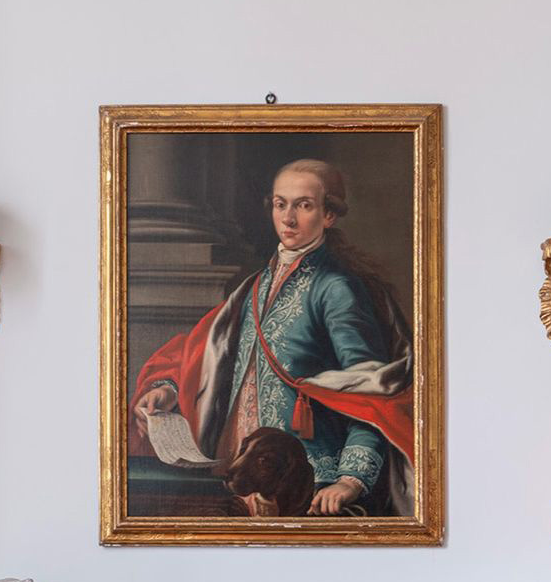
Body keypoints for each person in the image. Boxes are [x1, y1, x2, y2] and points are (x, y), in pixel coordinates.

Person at [131, 159, 413, 516]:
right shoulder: (256, 285)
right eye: (281, 204)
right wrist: (168, 389)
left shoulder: (337, 289)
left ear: (329, 215)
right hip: (241, 479)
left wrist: (350, 479)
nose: (289, 218)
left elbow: (372, 395)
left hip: (307, 489)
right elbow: (206, 357)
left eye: (304, 205)